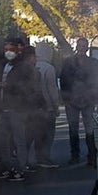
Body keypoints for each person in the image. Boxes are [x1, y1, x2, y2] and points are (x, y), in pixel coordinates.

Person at [0, 35, 41, 181]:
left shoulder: (23, 67)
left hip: (18, 108)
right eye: (6, 49)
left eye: (11, 49)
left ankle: (21, 168)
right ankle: (6, 166)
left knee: (19, 139)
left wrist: (9, 86)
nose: (8, 52)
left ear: (17, 50)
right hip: (4, 107)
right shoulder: (3, 65)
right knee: (1, 139)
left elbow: (28, 87)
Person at [59, 36, 98, 166]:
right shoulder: (68, 62)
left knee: (90, 129)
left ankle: (92, 156)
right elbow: (63, 80)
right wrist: (65, 98)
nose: (82, 48)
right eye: (80, 46)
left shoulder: (93, 62)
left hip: (88, 100)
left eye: (84, 46)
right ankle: (75, 155)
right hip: (71, 100)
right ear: (76, 47)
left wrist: (97, 98)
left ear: (87, 48)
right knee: (73, 129)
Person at [29, 41, 61, 169]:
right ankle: (45, 158)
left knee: (37, 133)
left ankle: (37, 156)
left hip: (34, 106)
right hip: (47, 107)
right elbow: (52, 90)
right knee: (48, 134)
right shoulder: (49, 68)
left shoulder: (32, 65)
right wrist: (55, 106)